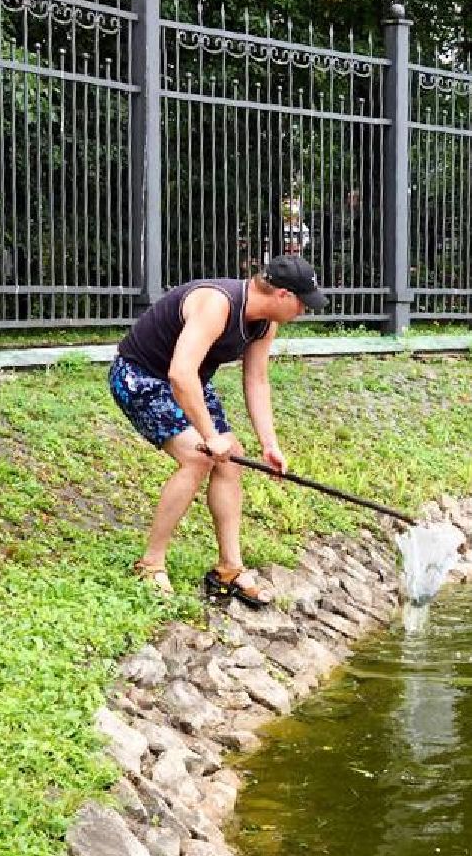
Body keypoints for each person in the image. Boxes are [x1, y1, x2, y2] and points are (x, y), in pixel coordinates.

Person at [111, 254, 328, 606]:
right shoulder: (217, 304)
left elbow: (256, 379)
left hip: (187, 380)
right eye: (303, 303)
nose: (304, 311)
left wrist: (269, 443)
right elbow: (179, 373)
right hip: (140, 376)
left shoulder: (264, 323)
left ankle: (229, 569)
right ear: (283, 295)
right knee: (197, 458)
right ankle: (150, 563)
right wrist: (209, 437)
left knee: (233, 457)